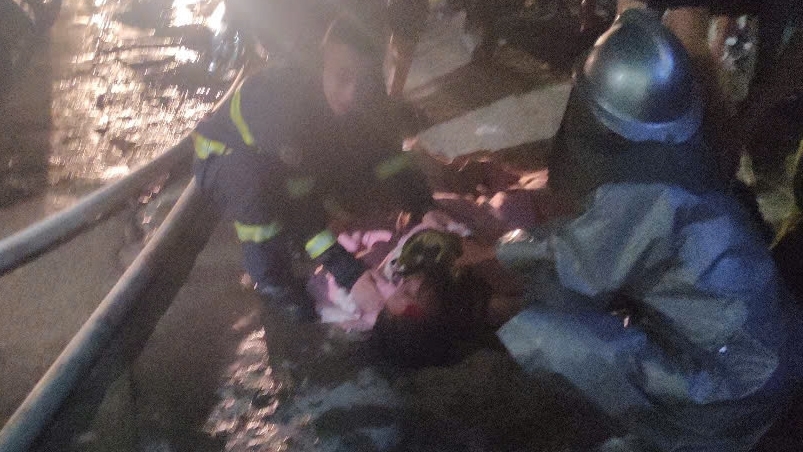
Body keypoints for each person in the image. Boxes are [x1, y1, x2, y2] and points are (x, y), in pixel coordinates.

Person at [495, 9, 801, 451]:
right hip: (775, 354)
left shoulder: (642, 198)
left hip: (734, 392)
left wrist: (491, 268)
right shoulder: (687, 160)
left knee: (541, 330)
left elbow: (563, 263)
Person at [191, 14, 434, 319]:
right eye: (342, 77)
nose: (351, 93)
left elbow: (388, 154)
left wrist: (424, 205)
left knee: (355, 151)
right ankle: (271, 281)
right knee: (257, 192)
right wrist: (349, 274)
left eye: (364, 81)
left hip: (290, 159)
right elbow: (301, 206)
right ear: (322, 63)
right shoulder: (285, 106)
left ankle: (300, 235)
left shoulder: (366, 95)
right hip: (225, 156)